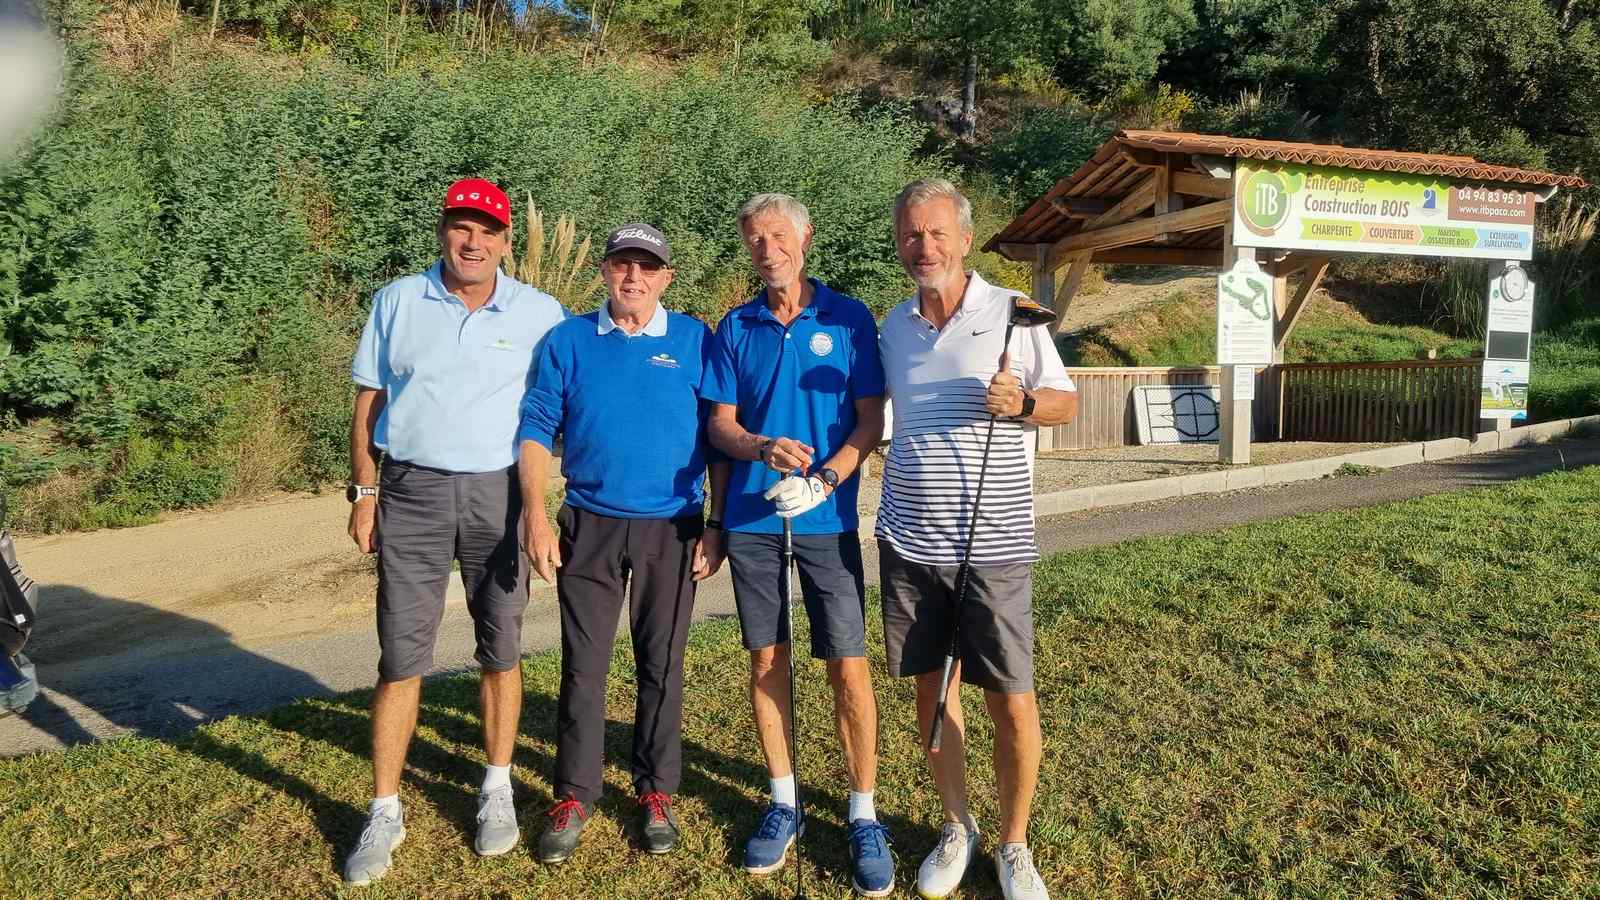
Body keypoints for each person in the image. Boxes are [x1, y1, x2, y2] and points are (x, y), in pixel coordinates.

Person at [342, 178, 566, 886]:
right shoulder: (398, 301)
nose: (473, 242)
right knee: (400, 655)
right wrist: (364, 492)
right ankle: (384, 809)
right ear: (443, 230)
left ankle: (496, 787)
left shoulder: (540, 313)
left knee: (501, 645)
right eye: (462, 227)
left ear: (505, 241)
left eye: (488, 231)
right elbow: (368, 402)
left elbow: (562, 405)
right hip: (412, 490)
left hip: (501, 494)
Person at [875, 178, 1079, 900]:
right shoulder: (893, 327)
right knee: (935, 692)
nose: (923, 246)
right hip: (910, 541)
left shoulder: (1014, 313)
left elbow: (1065, 402)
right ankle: (956, 825)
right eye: (910, 233)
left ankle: (1014, 843)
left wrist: (1024, 402)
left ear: (964, 239)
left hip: (994, 545)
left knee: (1011, 699)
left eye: (936, 232)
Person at [516, 222, 728, 864]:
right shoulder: (568, 340)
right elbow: (536, 426)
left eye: (647, 267)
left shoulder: (695, 339)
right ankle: (575, 793)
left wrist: (716, 524)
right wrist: (535, 515)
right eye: (621, 265)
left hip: (674, 525)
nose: (633, 277)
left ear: (666, 278)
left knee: (661, 662)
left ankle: (655, 789)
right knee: (583, 664)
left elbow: (719, 435)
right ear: (604, 272)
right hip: (590, 522)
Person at [703, 193, 891, 895]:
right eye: (755, 238)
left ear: (805, 237)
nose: (768, 249)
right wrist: (760, 446)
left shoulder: (849, 318)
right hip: (754, 520)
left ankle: (863, 813)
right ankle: (784, 801)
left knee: (848, 664)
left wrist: (826, 478)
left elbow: (870, 420)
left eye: (779, 235)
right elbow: (720, 426)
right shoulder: (736, 325)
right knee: (766, 658)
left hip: (827, 520)